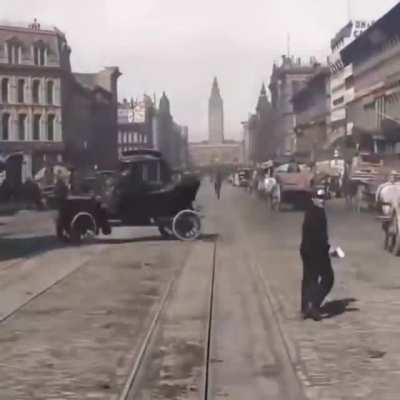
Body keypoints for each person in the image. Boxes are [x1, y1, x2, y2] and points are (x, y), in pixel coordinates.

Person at [300, 188, 334, 321]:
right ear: (313, 198)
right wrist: (329, 249)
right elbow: (318, 236)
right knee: (328, 278)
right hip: (316, 252)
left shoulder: (312, 210)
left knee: (309, 279)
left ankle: (305, 308)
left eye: (323, 198)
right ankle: (313, 306)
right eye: (319, 198)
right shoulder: (316, 213)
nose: (322, 201)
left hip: (307, 250)